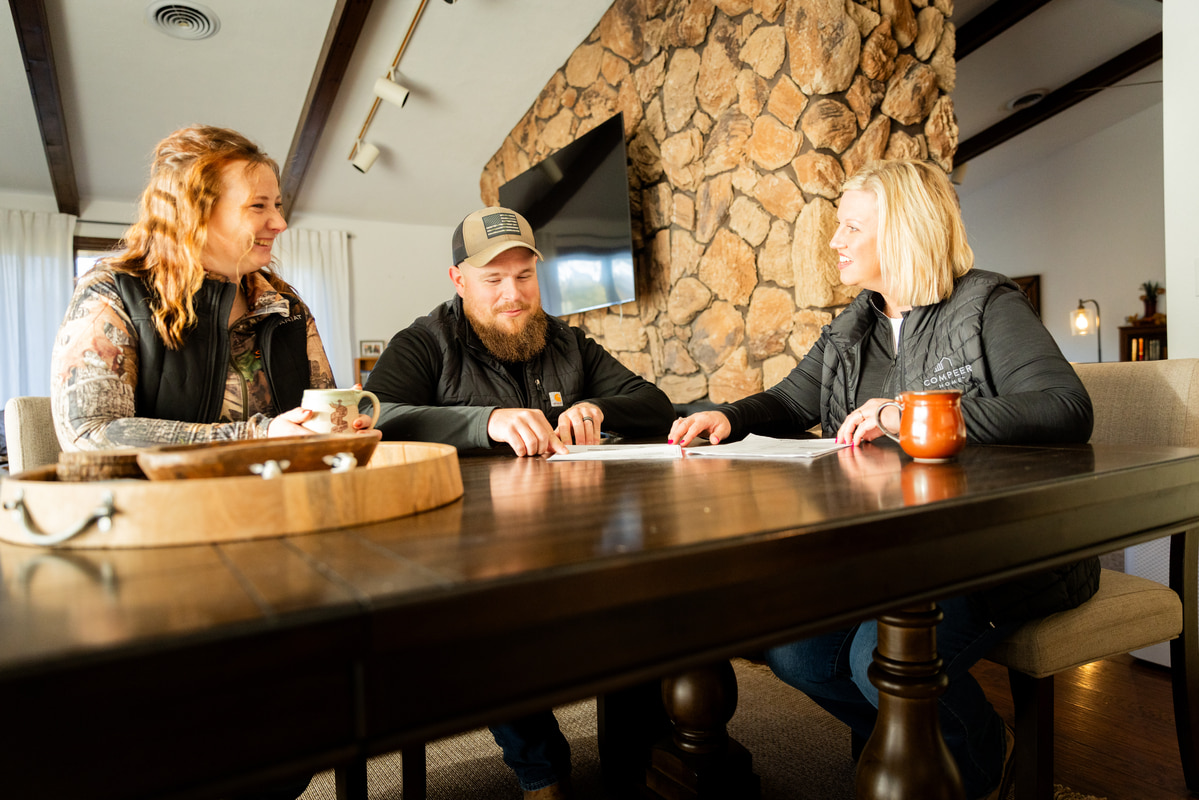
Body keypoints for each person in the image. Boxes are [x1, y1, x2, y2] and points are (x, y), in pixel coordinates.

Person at [669, 159, 1096, 800]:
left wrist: (908, 414)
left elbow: (1065, 408)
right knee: (796, 652)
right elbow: (788, 402)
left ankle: (979, 768)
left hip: (1006, 549)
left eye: (849, 227)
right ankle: (927, 759)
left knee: (881, 663)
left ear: (899, 232)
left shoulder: (986, 304)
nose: (834, 241)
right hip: (903, 555)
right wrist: (723, 417)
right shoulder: (854, 327)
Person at [363, 206, 676, 798]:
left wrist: (600, 408)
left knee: (641, 590)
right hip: (469, 544)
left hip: (573, 530)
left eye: (524, 275)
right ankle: (542, 774)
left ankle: (636, 762)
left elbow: (655, 404)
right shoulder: (425, 341)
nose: (514, 294)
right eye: (494, 279)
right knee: (494, 613)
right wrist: (486, 423)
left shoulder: (566, 340)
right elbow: (377, 416)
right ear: (459, 280)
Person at [51, 125, 373, 454]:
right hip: (165, 501)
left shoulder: (287, 307)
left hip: (278, 497)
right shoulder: (114, 292)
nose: (279, 223)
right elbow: (89, 433)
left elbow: (317, 415)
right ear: (194, 213)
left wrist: (341, 426)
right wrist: (258, 435)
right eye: (258, 206)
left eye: (277, 205)